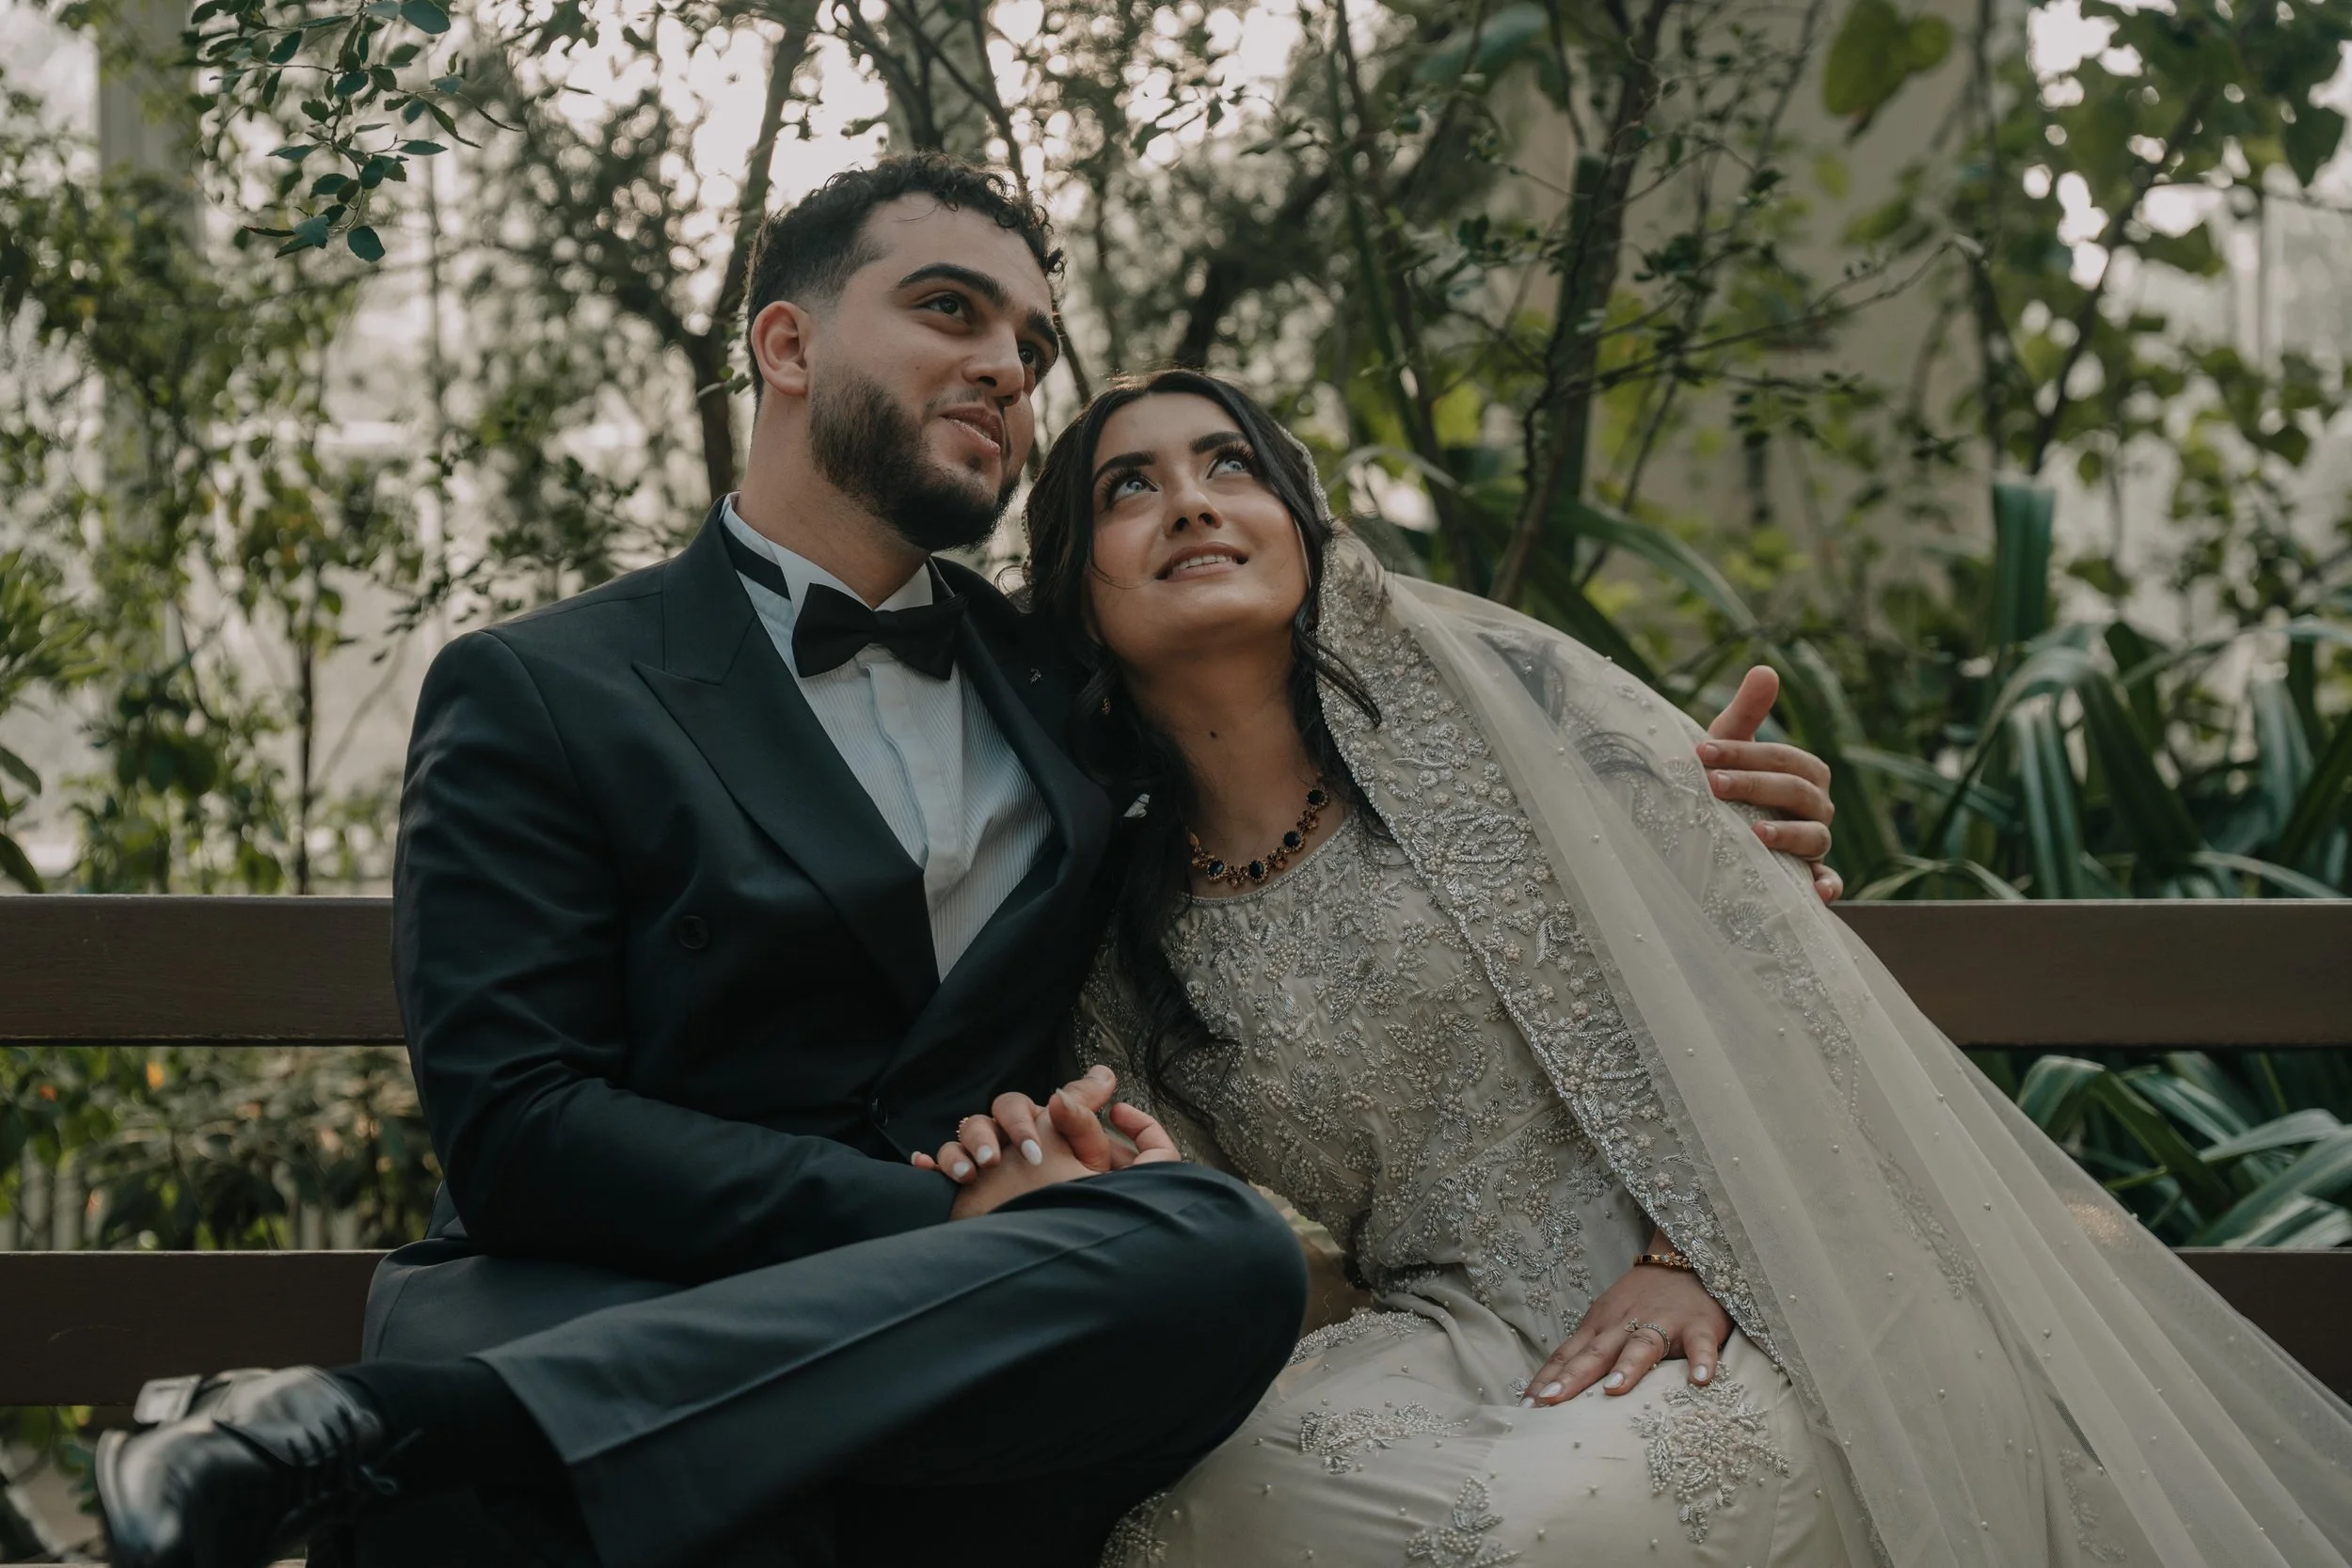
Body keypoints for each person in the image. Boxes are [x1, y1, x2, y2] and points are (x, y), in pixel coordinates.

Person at [89, 161, 1842, 1568]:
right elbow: (521, 1121)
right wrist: (935, 1211)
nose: (1008, 362)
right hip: (617, 1288)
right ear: (784, 345)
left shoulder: (1075, 702)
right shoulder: (547, 686)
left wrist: (1689, 836)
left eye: (1029, 338)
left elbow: (1304, 811)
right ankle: (428, 1429)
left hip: (1002, 1333)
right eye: (948, 309)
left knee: (1212, 1252)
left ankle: (383, 1429)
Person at [921, 367, 2352, 1567]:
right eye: (1128, 485)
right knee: (1186, 1518)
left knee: (1546, 1533)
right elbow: (1253, 1242)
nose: (1188, 500)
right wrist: (1090, 1187)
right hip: (1443, 1336)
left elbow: (1783, 1011)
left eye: (1231, 464)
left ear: (1303, 530)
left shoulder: (1517, 739)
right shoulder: (1120, 930)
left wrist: (1692, 1247)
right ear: (1074, 585)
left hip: (1756, 1274)